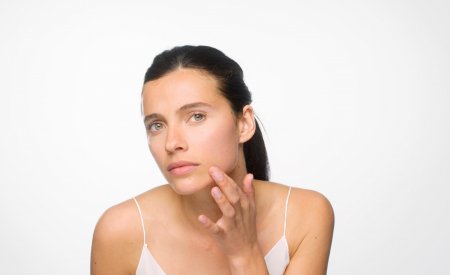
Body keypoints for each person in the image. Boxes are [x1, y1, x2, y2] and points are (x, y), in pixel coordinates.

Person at [90, 45, 334, 275]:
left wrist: (245, 254)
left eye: (196, 116)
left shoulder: (304, 215)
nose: (171, 142)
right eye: (157, 125)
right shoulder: (120, 231)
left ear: (244, 123)